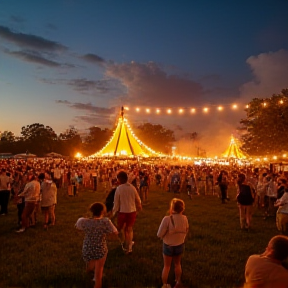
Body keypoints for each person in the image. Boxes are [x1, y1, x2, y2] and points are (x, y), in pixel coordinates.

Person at [75, 202, 118, 288]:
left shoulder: (83, 221)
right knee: (99, 274)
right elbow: (115, 232)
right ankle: (97, 280)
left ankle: (89, 273)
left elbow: (77, 229)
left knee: (90, 262)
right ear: (102, 211)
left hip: (87, 248)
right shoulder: (105, 221)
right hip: (100, 250)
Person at [157, 198, 189, 288]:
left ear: (172, 208)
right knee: (177, 264)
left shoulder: (167, 219)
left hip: (168, 245)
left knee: (167, 266)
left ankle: (165, 284)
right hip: (179, 244)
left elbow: (159, 234)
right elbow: (186, 230)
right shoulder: (185, 219)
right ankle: (178, 281)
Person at [112, 170, 142, 254]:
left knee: (121, 229)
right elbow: (137, 199)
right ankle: (129, 246)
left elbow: (116, 202)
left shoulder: (119, 189)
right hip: (132, 211)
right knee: (129, 229)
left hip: (122, 212)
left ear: (120, 179)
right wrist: (139, 206)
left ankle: (125, 243)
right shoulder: (132, 188)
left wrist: (114, 212)